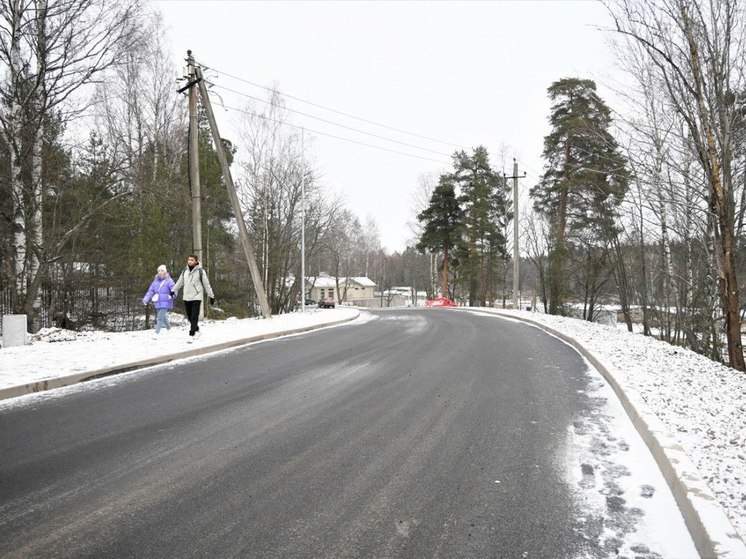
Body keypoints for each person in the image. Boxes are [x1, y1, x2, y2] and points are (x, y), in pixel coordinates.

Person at [172, 255, 215, 342]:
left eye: (192, 260)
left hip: (196, 296)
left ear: (196, 261)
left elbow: (206, 285)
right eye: (189, 260)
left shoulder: (200, 271)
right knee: (190, 317)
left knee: (194, 316)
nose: (190, 261)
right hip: (186, 297)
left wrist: (211, 295)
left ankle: (191, 334)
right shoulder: (185, 271)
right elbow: (180, 282)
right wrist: (173, 290)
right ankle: (197, 329)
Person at [142, 265, 176, 337]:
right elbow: (150, 291)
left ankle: (156, 333)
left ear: (165, 271)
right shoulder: (155, 281)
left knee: (160, 317)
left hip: (166, 301)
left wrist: (171, 295)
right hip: (158, 302)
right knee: (163, 317)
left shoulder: (169, 280)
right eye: (159, 270)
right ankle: (169, 329)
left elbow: (174, 289)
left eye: (162, 270)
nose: (160, 272)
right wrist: (146, 299)